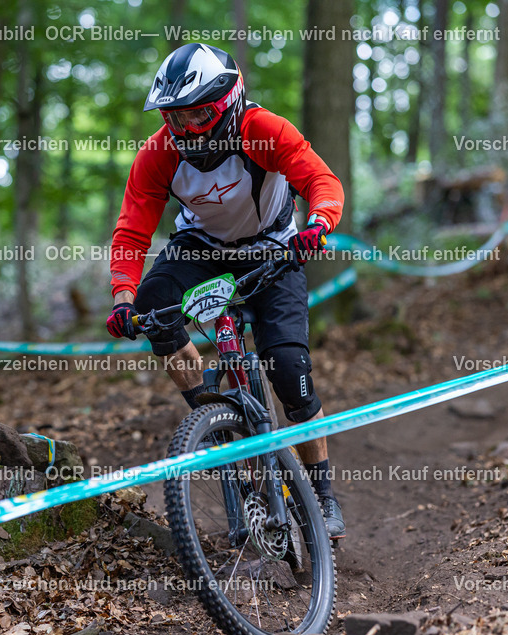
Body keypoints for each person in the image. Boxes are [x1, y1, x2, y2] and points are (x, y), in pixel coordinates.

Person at [105, 43, 346, 537]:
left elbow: (320, 178)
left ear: (228, 102)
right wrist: (123, 296)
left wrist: (319, 223)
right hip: (201, 248)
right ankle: (212, 415)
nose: (187, 130)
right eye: (175, 118)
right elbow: (132, 231)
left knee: (289, 369)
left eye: (198, 115)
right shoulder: (158, 153)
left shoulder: (263, 130)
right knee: (153, 305)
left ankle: (323, 496)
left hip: (274, 248)